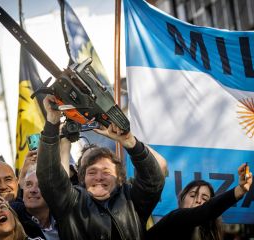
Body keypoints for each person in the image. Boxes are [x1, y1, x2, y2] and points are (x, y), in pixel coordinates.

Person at [36, 95, 165, 240]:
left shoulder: (131, 199)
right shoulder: (70, 202)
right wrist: (52, 122)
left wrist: (130, 142)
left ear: (120, 178)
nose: (99, 177)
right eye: (92, 172)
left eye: (106, 171)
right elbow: (48, 176)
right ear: (82, 178)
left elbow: (154, 181)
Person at [145, 163, 253, 240]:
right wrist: (239, 190)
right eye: (193, 195)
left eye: (205, 199)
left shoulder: (210, 234)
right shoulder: (174, 218)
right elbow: (205, 210)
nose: (198, 200)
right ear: (181, 200)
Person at [12, 164, 60, 240]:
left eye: (40, 185)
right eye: (28, 184)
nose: (33, 190)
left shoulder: (65, 219)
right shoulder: (13, 218)